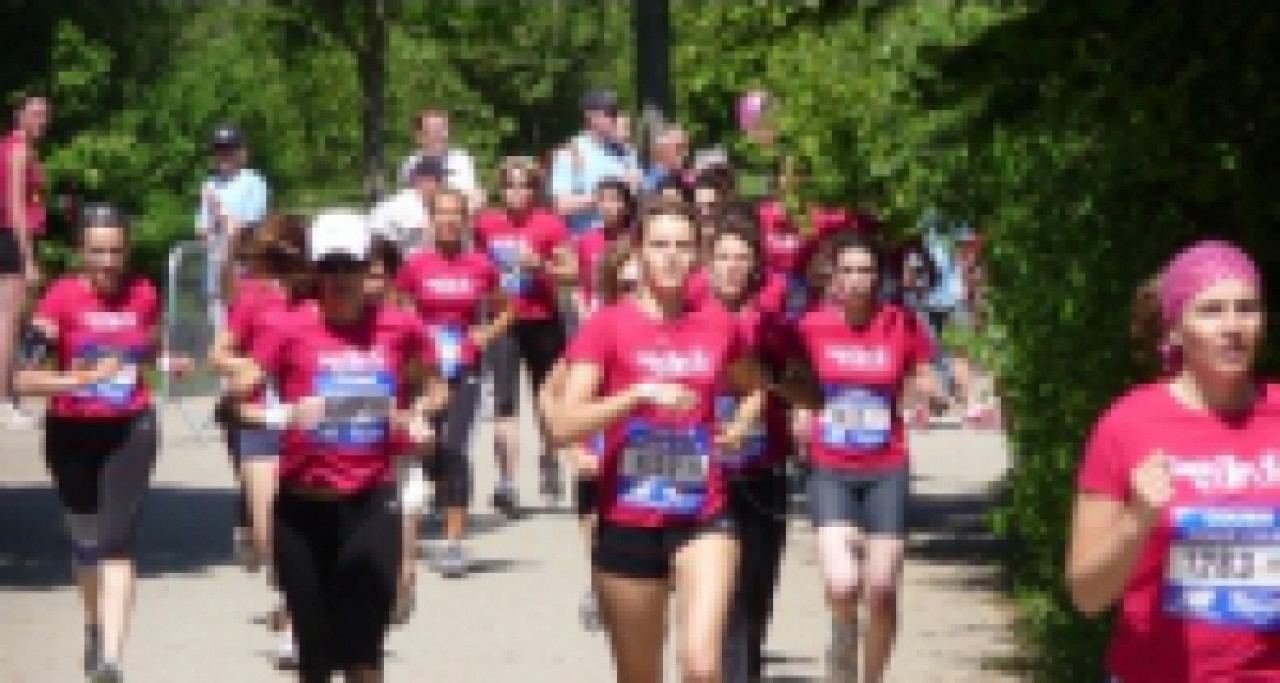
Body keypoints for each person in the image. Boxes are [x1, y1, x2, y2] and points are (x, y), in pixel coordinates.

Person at [548, 197, 773, 683]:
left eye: (683, 245)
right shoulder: (607, 325)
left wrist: (735, 429)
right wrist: (635, 396)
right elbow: (563, 424)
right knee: (640, 675)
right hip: (627, 519)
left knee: (701, 665)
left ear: (699, 254)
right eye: (659, 245)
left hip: (703, 514)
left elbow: (754, 387)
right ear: (639, 250)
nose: (671, 256)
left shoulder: (718, 322)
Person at [230, 209, 442, 683]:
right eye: (331, 266)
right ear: (315, 270)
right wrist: (281, 414)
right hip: (303, 512)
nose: (341, 278)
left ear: (368, 265)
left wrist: (420, 415)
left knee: (364, 655)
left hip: (372, 503)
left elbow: (435, 386)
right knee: (315, 660)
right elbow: (232, 406)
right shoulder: (288, 330)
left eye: (351, 265)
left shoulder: (399, 327)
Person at [1068, 241, 1278, 683]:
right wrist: (1137, 519)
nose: (1233, 325)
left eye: (1247, 308)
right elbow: (1087, 595)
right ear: (1175, 329)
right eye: (1211, 310)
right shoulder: (1128, 423)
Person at [16, 204, 190, 683]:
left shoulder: (144, 293)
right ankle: (93, 623)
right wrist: (80, 379)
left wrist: (169, 359)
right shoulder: (60, 298)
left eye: (116, 250)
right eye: (97, 252)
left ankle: (112, 659)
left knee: (116, 541)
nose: (108, 262)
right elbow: (24, 379)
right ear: (80, 252)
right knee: (85, 541)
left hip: (130, 428)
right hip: (72, 432)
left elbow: (149, 347)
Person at [789, 231, 943, 683]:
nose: (857, 281)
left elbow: (923, 368)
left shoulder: (901, 323)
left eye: (866, 272)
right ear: (832, 278)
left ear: (879, 278)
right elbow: (798, 382)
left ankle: (870, 677)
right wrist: (800, 412)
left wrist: (928, 390)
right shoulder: (812, 326)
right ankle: (841, 631)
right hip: (830, 466)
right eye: (848, 272)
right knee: (842, 583)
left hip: (885, 467)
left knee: (880, 590)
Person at [697, 217, 803, 683]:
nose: (732, 267)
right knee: (721, 596)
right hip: (703, 476)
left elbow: (809, 392)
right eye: (723, 257)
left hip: (762, 472)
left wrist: (776, 384)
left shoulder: (774, 324)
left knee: (756, 595)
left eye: (742, 257)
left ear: (756, 264)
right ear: (708, 263)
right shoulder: (690, 316)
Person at [395, 189, 512, 579]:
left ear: (465, 220)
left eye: (455, 214)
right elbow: (398, 310)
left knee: (456, 448)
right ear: (430, 219)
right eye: (441, 214)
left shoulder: (480, 265)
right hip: (425, 372)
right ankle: (432, 498)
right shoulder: (415, 265)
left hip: (466, 369)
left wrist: (486, 334)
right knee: (427, 447)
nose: (448, 221)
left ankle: (453, 543)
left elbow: (508, 309)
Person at [475, 158, 576, 508]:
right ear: (500, 189)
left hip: (543, 320)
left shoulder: (549, 224)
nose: (517, 192)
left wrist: (542, 267)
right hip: (504, 321)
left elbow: (572, 273)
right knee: (504, 402)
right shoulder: (486, 223)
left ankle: (549, 459)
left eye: (525, 186)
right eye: (510, 185)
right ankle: (506, 481)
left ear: (535, 190)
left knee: (544, 398)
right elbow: (472, 263)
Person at [0, 94, 50, 429]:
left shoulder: (9, 147)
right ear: (19, 116)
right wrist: (28, 257)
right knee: (8, 323)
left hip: (7, 235)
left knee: (8, 322)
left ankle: (10, 397)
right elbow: (16, 206)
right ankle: (4, 402)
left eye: (45, 114)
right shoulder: (18, 150)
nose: (41, 120)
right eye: (34, 114)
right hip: (10, 238)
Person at [194, 124, 269, 333]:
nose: (224, 155)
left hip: (243, 269)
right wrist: (215, 224)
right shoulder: (209, 184)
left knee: (243, 330)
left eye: (229, 149)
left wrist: (220, 216)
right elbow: (201, 230)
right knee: (219, 332)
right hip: (213, 268)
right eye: (219, 150)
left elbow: (248, 227)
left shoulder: (254, 182)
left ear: (242, 152)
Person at [550, 88, 641, 235]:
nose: (615, 118)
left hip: (622, 239)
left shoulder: (626, 153)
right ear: (590, 116)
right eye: (609, 113)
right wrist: (605, 198)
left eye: (616, 112)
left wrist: (632, 191)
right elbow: (561, 206)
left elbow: (635, 196)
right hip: (585, 240)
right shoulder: (571, 152)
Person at [572, 178, 636, 326]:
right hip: (595, 317)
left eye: (614, 200)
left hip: (628, 318)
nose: (607, 206)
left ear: (626, 207)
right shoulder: (586, 240)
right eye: (602, 200)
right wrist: (583, 312)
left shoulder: (637, 241)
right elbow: (578, 283)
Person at [397, 109, 483, 210]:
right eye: (433, 131)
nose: (442, 135)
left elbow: (471, 195)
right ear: (419, 136)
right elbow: (404, 198)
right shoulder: (410, 163)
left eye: (444, 129)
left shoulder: (460, 159)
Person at [368, 156, 446, 255]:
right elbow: (373, 229)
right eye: (423, 181)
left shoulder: (444, 203)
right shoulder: (396, 204)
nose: (427, 185)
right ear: (416, 181)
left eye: (433, 181)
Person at [643, 124, 689, 193]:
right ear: (664, 148)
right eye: (678, 147)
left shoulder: (686, 177)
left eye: (685, 147)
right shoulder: (649, 179)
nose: (684, 153)